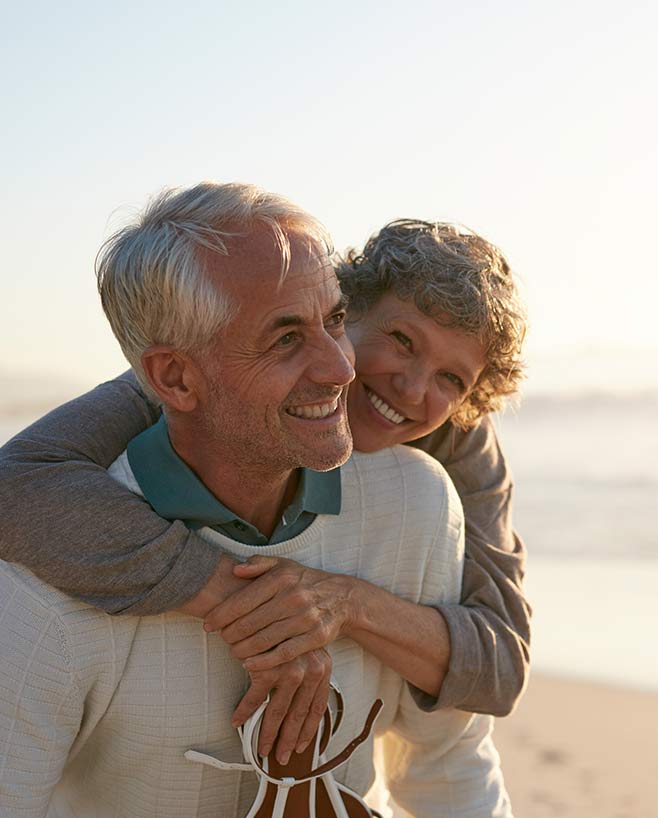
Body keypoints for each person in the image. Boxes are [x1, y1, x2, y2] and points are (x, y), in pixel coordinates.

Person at [0, 183, 511, 817]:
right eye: (287, 337)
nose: (342, 369)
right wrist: (252, 608)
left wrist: (343, 604)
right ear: (176, 378)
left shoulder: (424, 498)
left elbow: (464, 732)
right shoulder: (45, 567)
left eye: (332, 323)